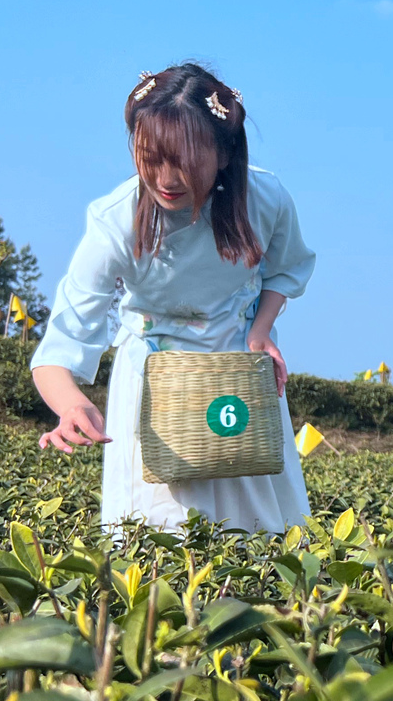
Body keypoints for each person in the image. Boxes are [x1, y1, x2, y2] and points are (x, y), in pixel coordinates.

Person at [30, 63, 316, 533]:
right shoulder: (117, 220)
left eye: (183, 160)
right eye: (150, 157)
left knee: (259, 524)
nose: (166, 178)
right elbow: (61, 343)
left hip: (235, 366)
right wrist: (71, 406)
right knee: (160, 529)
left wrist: (261, 331)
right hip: (151, 376)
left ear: (224, 153)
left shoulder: (264, 199)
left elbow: (289, 267)